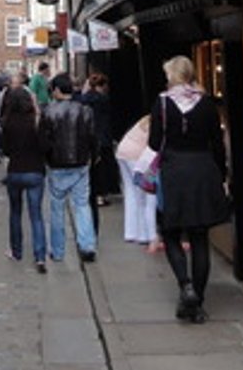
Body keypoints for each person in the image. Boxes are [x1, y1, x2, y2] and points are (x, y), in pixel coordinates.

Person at [148, 54, 230, 324]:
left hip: (174, 171)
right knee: (199, 237)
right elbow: (217, 142)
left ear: (172, 74)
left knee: (170, 232)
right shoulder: (206, 103)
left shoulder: (162, 103)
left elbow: (154, 142)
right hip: (203, 170)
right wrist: (220, 173)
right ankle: (198, 304)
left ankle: (186, 286)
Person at [39, 72, 98, 263]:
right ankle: (87, 245)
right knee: (82, 205)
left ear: (56, 90)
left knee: (57, 209)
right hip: (80, 163)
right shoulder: (85, 110)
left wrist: (45, 160)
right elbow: (92, 137)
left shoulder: (48, 112)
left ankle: (58, 251)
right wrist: (93, 157)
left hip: (56, 165)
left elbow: (44, 142)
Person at [0, 72, 47, 272]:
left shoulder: (8, 124)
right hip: (35, 171)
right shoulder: (36, 123)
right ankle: (40, 256)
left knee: (15, 213)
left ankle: (17, 251)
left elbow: (6, 151)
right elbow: (45, 146)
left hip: (15, 172)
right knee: (36, 215)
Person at [115, 113, 159, 249]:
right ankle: (145, 234)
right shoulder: (157, 124)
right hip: (136, 156)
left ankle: (131, 232)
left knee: (130, 192)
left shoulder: (145, 119)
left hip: (122, 152)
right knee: (143, 196)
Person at [81, 72, 120, 211]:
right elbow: (107, 120)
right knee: (103, 168)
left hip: (89, 137)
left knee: (93, 168)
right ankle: (101, 196)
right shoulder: (103, 100)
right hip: (102, 137)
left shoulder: (84, 100)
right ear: (102, 86)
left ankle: (93, 193)